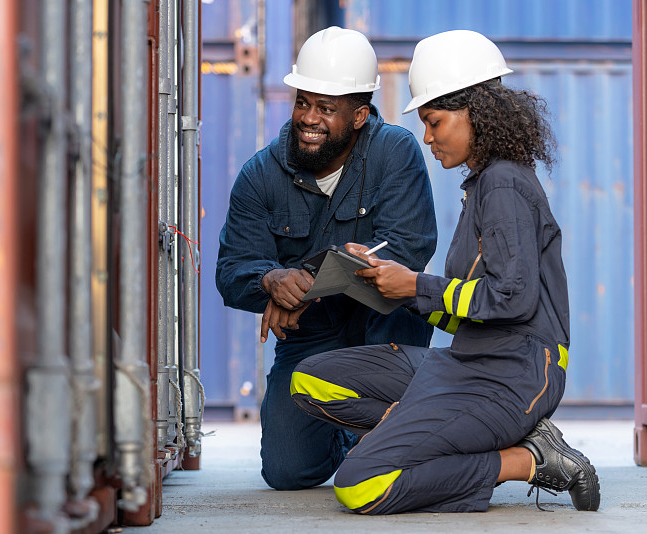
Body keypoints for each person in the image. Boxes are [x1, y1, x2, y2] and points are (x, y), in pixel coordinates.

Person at [290, 30, 601, 513]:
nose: (428, 136)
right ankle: (420, 431)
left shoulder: (502, 185)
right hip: (466, 362)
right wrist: (388, 283)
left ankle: (530, 458)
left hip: (512, 376)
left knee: (360, 484)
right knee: (311, 379)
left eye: (434, 122)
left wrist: (416, 283)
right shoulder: (482, 185)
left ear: (476, 112)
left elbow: (512, 300)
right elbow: (464, 313)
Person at [215, 26, 438, 491]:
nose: (308, 118)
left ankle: (387, 435)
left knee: (401, 311)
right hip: (311, 336)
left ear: (359, 115)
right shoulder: (260, 175)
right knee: (287, 472)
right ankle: (344, 437)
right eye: (303, 102)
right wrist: (271, 280)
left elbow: (409, 246)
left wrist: (303, 281)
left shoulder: (395, 152)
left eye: (325, 108)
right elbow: (231, 270)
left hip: (386, 326)